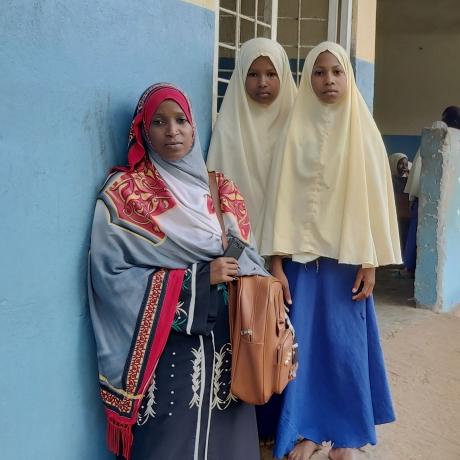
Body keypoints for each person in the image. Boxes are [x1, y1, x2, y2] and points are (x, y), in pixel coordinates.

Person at [88, 83, 268, 460]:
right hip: (166, 342)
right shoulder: (126, 195)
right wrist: (197, 279)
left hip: (227, 340)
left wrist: (245, 275)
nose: (172, 131)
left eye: (181, 120)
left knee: (227, 440)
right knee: (171, 440)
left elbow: (250, 257)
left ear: (194, 127)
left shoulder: (221, 189)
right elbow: (110, 275)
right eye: (159, 122)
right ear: (142, 130)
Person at [258, 42, 401, 460]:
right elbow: (278, 198)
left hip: (346, 264)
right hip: (301, 266)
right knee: (302, 348)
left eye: (336, 72)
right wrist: (277, 262)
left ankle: (347, 436)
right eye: (319, 72)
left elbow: (373, 199)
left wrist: (370, 261)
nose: (328, 81)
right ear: (308, 78)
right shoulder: (293, 130)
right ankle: (305, 430)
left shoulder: (363, 131)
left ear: (348, 78)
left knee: (345, 348)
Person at [207, 37, 297, 246]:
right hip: (239, 245)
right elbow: (215, 187)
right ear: (240, 76)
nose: (262, 82)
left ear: (283, 75)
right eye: (253, 74)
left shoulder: (298, 125)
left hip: (290, 243)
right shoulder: (228, 128)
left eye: (271, 74)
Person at [403, 106, 460, 274]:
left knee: (419, 233)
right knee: (419, 233)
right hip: (428, 196)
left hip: (425, 195)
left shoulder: (444, 139)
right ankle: (411, 266)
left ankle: (411, 266)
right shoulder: (442, 138)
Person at [388, 153, 411, 250]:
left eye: (406, 165)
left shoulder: (408, 180)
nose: (404, 167)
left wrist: (411, 178)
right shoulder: (389, 179)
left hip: (406, 216)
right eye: (401, 164)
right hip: (393, 215)